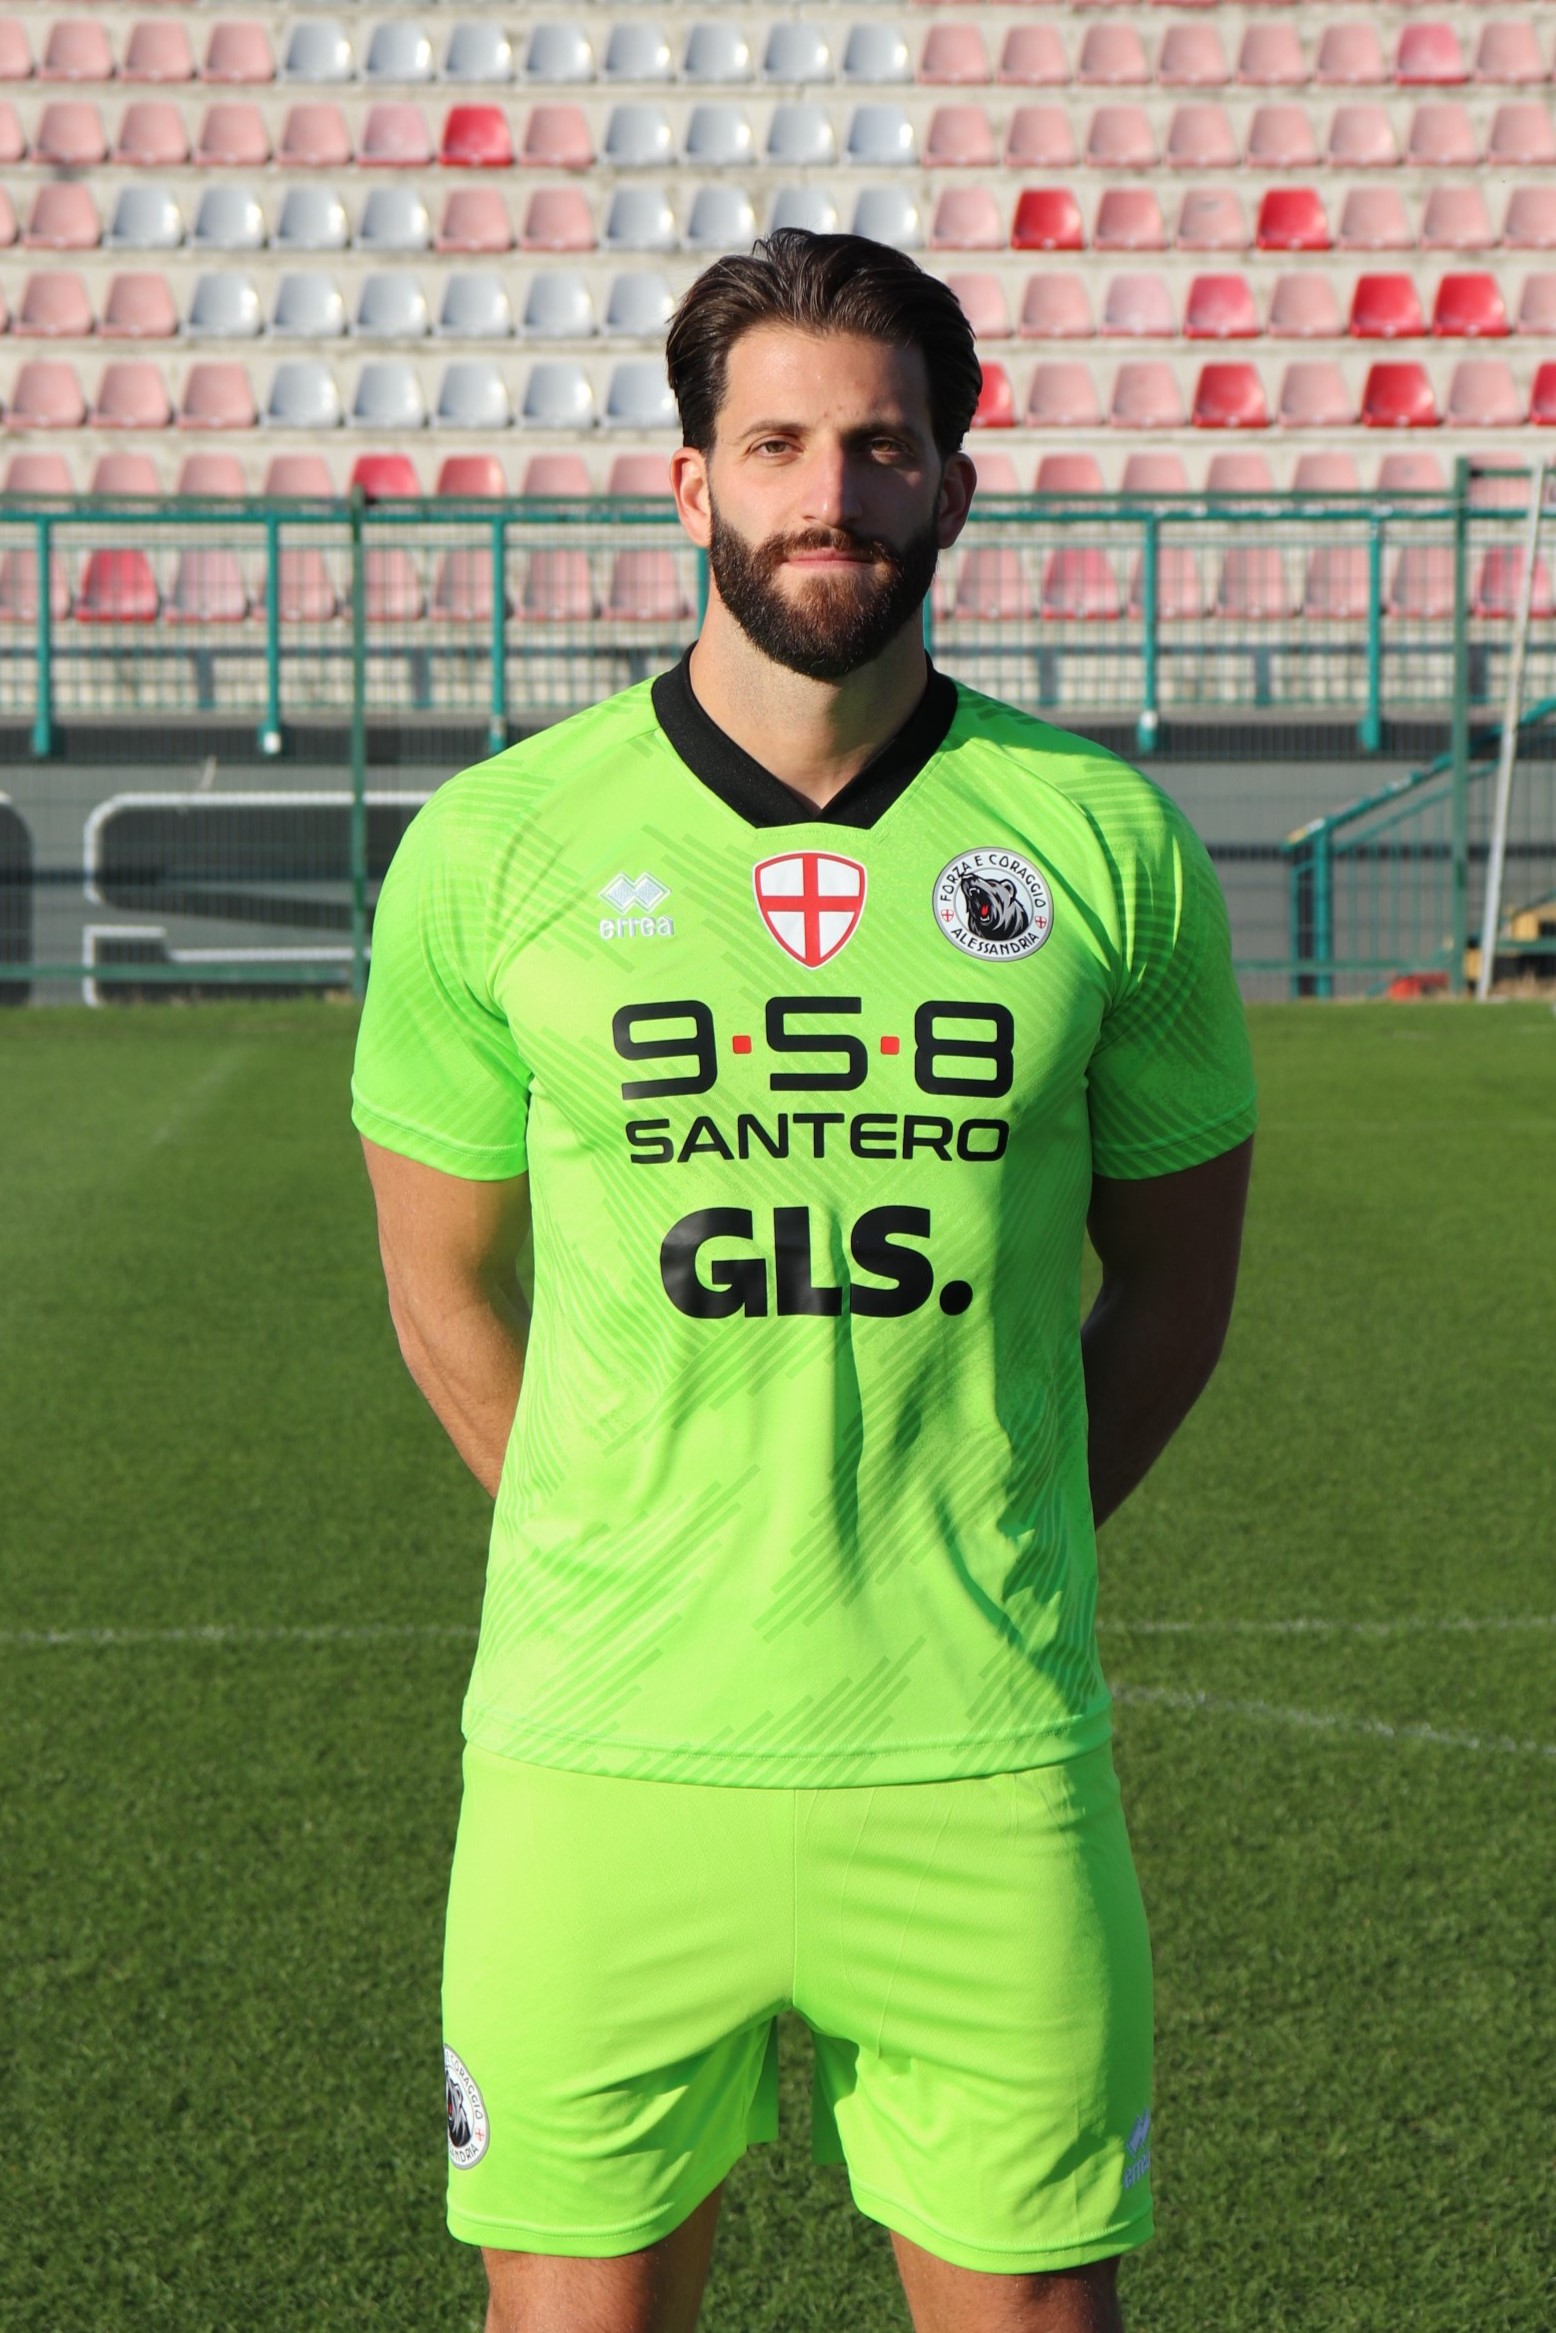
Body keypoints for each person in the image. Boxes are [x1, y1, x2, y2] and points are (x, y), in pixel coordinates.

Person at [352, 230, 1256, 2333]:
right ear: (692, 484)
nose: (826, 496)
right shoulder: (498, 847)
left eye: (878, 447)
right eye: (773, 446)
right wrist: (625, 1541)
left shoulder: (1103, 843)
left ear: (954, 483)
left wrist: (990, 1533)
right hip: (602, 1758)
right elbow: (441, 1287)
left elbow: (1177, 1296)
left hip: (978, 1757)